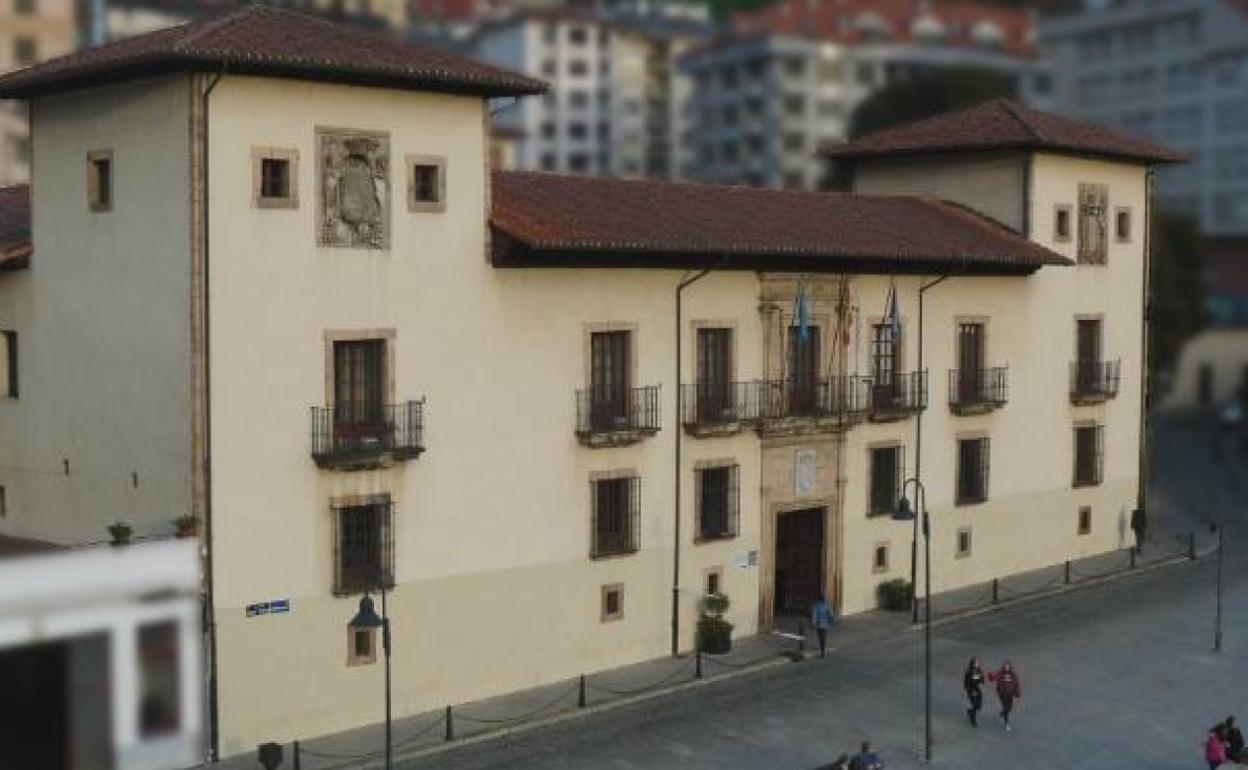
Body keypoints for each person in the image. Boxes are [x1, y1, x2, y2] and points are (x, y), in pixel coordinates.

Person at [988, 661, 1021, 731]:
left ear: (1010, 667)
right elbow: (994, 678)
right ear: (1004, 667)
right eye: (1005, 667)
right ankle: (1007, 724)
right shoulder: (1000, 673)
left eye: (1008, 667)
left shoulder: (1013, 675)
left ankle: (1002, 713)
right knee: (1006, 707)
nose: (1006, 668)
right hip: (1002, 694)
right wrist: (990, 676)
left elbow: (1016, 683)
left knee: (1009, 707)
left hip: (1010, 693)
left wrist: (1017, 692)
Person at [963, 657, 986, 727]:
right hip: (971, 689)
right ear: (972, 664)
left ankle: (970, 711)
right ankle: (973, 719)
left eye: (977, 663)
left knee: (978, 704)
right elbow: (967, 682)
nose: (977, 664)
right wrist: (971, 691)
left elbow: (982, 678)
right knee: (975, 704)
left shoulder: (978, 670)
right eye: (975, 663)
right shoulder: (969, 672)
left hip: (976, 688)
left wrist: (981, 679)